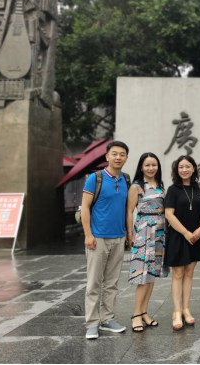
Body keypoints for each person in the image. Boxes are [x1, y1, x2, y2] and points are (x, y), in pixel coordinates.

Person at [81, 141, 131, 340]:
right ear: (107, 157)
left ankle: (107, 319)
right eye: (115, 154)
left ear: (126, 158)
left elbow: (127, 209)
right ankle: (92, 323)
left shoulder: (126, 179)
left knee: (111, 282)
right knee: (93, 283)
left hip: (118, 238)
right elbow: (85, 208)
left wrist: (128, 233)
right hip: (98, 238)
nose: (118, 157)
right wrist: (88, 234)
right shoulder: (95, 178)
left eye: (122, 154)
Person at [164, 155, 200, 331]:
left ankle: (186, 309)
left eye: (188, 166)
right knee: (178, 273)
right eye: (181, 167)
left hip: (196, 236)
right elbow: (169, 214)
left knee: (189, 272)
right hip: (178, 235)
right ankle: (176, 311)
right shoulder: (173, 189)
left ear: (194, 168)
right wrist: (185, 233)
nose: (184, 170)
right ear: (177, 170)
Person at [127, 153, 166, 333]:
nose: (151, 168)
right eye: (147, 165)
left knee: (151, 275)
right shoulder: (136, 187)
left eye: (154, 165)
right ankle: (136, 314)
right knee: (142, 275)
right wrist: (130, 234)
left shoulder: (160, 185)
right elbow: (129, 212)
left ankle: (144, 312)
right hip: (143, 231)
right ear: (141, 167)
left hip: (159, 232)